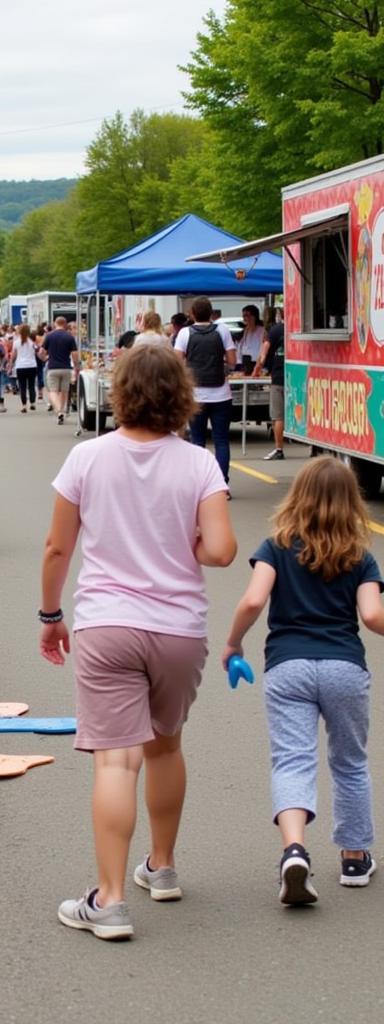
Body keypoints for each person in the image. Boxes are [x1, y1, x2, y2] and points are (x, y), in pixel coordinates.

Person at [39, 345, 236, 941]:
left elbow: (57, 549)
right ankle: (164, 866)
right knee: (165, 749)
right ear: (181, 395)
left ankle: (111, 899)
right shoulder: (199, 463)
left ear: (119, 392)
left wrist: (50, 613)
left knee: (115, 760)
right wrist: (188, 544)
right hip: (178, 628)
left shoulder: (87, 457)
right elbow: (222, 551)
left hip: (107, 624)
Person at [223, 458, 382, 904]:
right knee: (350, 762)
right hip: (344, 668)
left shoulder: (275, 547)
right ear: (351, 502)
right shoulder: (360, 557)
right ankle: (354, 858)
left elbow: (254, 600)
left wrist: (233, 643)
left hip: (287, 667)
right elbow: (371, 615)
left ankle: (293, 850)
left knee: (293, 761)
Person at [174, 296, 237, 490]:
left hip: (196, 395)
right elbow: (233, 360)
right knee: (221, 440)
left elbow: (177, 362)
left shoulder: (185, 333)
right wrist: (223, 367)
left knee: (197, 440)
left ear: (192, 314)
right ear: (211, 313)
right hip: (221, 394)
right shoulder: (222, 330)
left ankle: (198, 484)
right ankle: (222, 484)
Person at [254, 311, 285, 460]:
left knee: (278, 416)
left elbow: (264, 354)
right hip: (300, 375)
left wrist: (259, 369)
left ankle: (279, 449)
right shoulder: (297, 328)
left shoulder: (275, 330)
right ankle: (314, 448)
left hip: (279, 377)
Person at [42, 317, 79, 424]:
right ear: (65, 324)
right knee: (64, 391)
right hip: (66, 367)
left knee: (53, 391)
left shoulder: (49, 336)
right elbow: (74, 354)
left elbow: (41, 351)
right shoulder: (69, 337)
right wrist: (76, 366)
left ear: (55, 323)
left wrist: (44, 358)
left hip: (52, 367)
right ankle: (61, 410)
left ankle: (59, 411)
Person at [11, 324, 38, 412]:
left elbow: (13, 355)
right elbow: (37, 351)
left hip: (20, 366)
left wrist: (10, 364)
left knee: (22, 387)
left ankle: (24, 405)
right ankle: (33, 403)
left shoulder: (16, 342)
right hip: (31, 365)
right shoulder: (32, 342)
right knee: (31, 385)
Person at [237, 305, 265, 371]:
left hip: (257, 366)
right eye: (243, 316)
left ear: (254, 316)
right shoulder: (244, 331)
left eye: (247, 315)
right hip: (244, 365)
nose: (245, 318)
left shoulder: (262, 331)